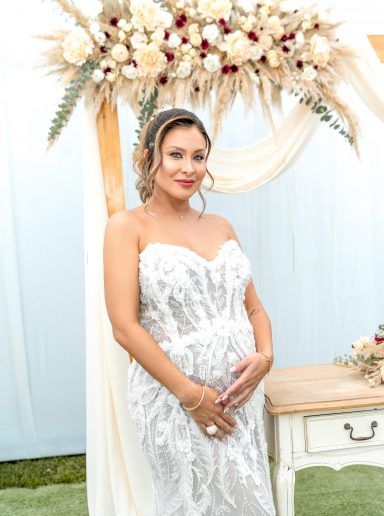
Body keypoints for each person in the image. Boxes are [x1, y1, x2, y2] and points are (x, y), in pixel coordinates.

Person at [103, 107, 276, 515]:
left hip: (239, 399)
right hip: (173, 401)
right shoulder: (126, 227)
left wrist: (266, 357)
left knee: (250, 500)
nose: (189, 168)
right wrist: (191, 396)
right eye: (176, 155)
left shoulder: (221, 225)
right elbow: (124, 327)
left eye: (198, 157)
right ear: (149, 157)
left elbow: (252, 307)